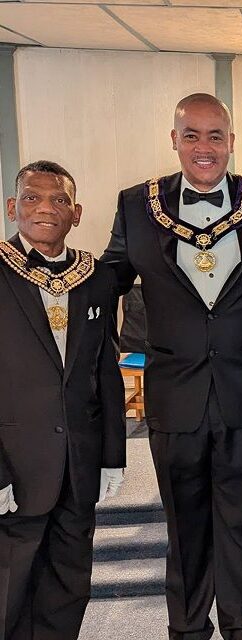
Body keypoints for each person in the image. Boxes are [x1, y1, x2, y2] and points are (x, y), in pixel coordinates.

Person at [101, 93, 242, 640]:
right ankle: (187, 631)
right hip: (174, 398)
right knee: (184, 532)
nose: (204, 147)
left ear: (232, 142)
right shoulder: (135, 205)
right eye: (192, 135)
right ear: (174, 140)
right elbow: (105, 281)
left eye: (216, 136)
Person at [0, 161, 126, 639]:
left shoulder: (95, 277)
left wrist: (113, 455)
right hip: (15, 464)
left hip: (78, 463)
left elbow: (105, 371)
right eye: (32, 198)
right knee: (10, 591)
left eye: (58, 200)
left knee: (69, 585)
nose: (45, 209)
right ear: (13, 208)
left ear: (76, 213)